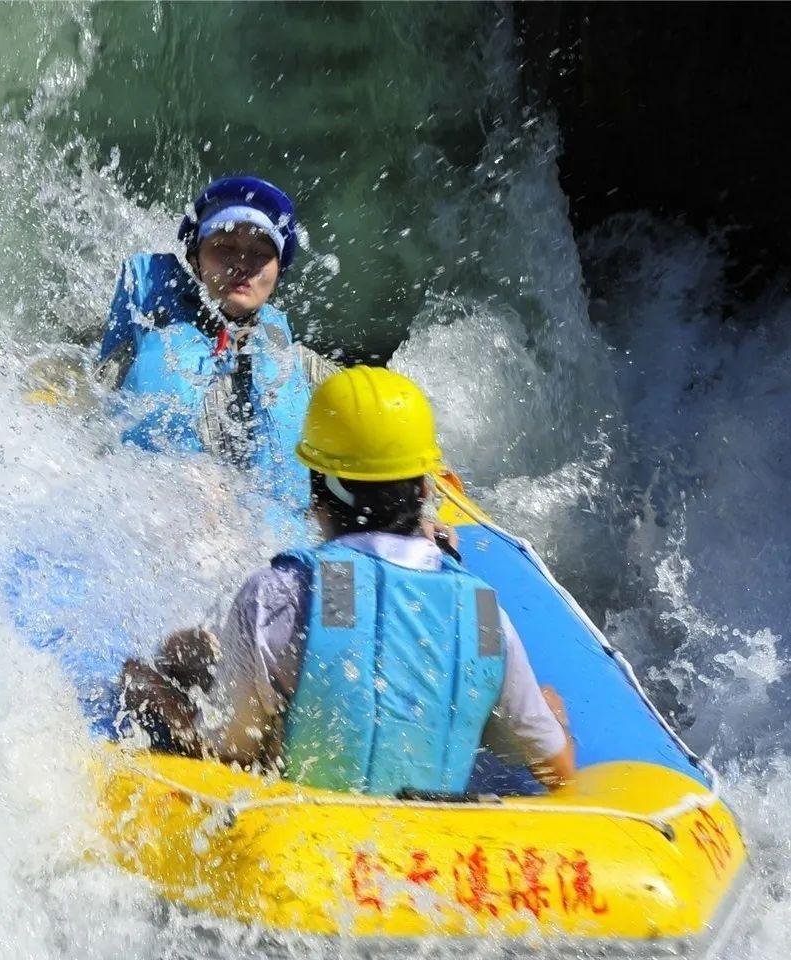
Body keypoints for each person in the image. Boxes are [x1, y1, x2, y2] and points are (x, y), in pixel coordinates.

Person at [119, 367, 575, 793]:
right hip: (430, 845)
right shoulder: (481, 610)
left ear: (318, 489)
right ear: (424, 491)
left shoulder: (280, 595)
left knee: (173, 658)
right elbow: (557, 769)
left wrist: (152, 693)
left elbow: (226, 752)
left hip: (308, 836)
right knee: (543, 704)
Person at [99, 175, 336, 505]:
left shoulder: (302, 366)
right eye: (225, 247)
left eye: (260, 253)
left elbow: (377, 427)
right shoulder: (148, 341)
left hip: (271, 544)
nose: (242, 265)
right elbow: (91, 413)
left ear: (278, 271)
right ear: (195, 259)